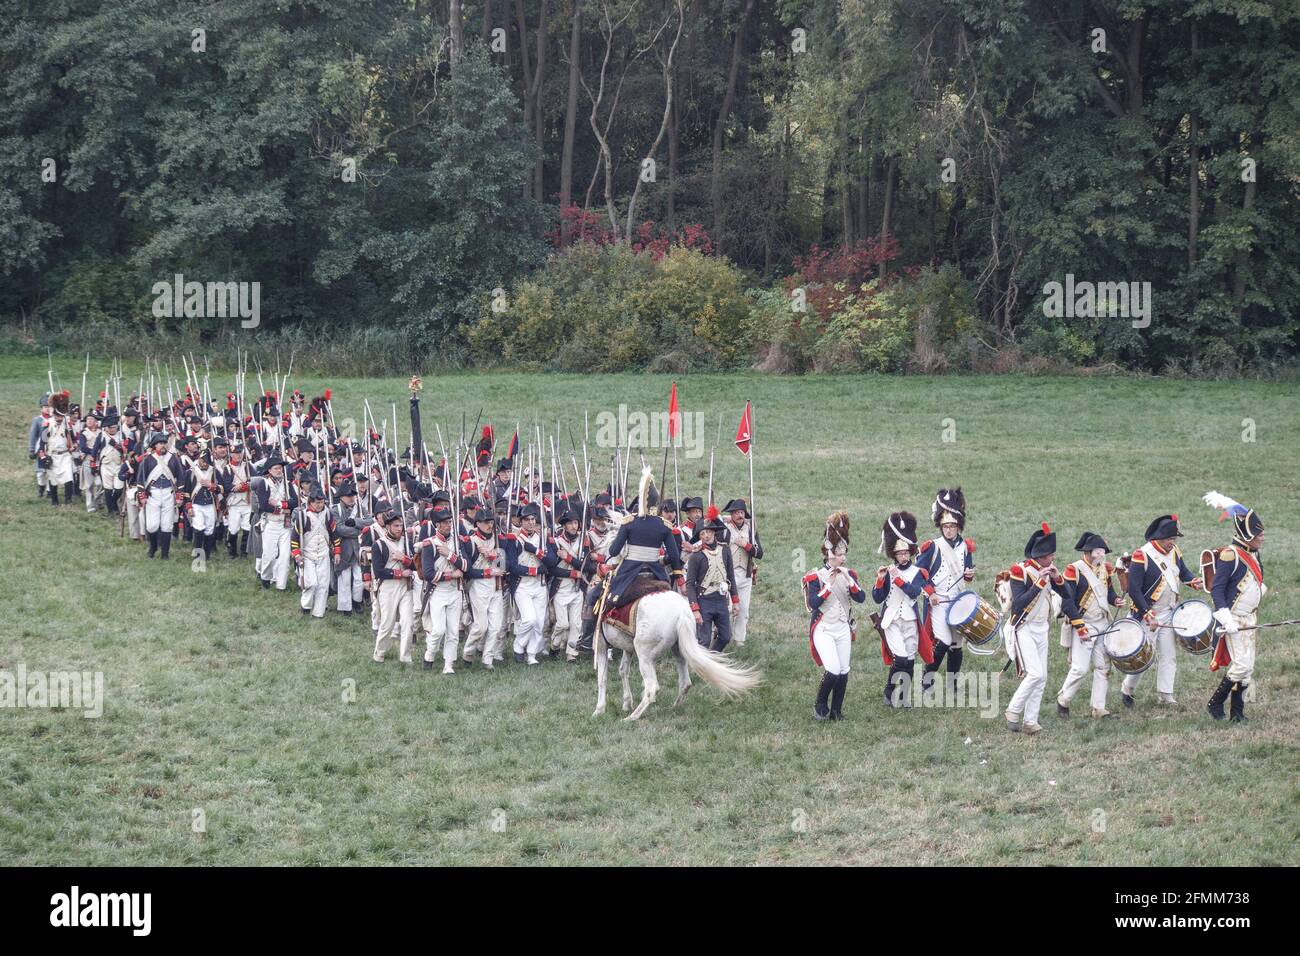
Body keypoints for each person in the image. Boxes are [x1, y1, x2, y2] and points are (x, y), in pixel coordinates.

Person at [1004, 523, 1080, 735]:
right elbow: (1018, 603)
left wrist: (1056, 578)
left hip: (1041, 628)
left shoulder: (1049, 570)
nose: (1053, 558)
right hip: (1024, 627)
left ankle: (1031, 721)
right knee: (1035, 674)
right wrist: (1039, 583)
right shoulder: (1020, 570)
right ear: (1040, 556)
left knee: (1042, 677)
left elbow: (1067, 595)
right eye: (1049, 556)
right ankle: (1013, 710)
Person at [1122, 514, 1203, 709]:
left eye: (1174, 539)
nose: (1172, 543)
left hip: (1169, 611)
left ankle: (1166, 694)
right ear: (1158, 538)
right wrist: (1147, 613)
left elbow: (1183, 572)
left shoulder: (1174, 551)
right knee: (1143, 657)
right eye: (1169, 539)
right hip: (1147, 614)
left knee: (1169, 654)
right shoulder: (1142, 555)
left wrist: (1193, 581)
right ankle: (1128, 689)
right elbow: (1134, 589)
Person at [1202, 493, 1266, 723]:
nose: (1262, 537)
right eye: (1258, 534)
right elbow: (1217, 590)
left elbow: (1257, 579)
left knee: (1247, 666)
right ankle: (1215, 703)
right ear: (1247, 535)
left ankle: (1237, 714)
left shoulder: (1253, 553)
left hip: (1249, 618)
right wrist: (1226, 619)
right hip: (1233, 619)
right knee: (1240, 665)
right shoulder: (1231, 555)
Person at [1055, 532, 1125, 719]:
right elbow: (1067, 602)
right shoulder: (1074, 570)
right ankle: (1063, 699)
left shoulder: (1105, 569)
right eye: (1098, 552)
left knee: (1103, 667)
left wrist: (1115, 599)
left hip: (1102, 622)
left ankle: (1099, 708)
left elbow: (1107, 592)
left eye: (1102, 552)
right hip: (1083, 623)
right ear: (1088, 552)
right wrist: (1079, 626)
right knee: (1080, 668)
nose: (1101, 556)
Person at [804, 512, 866, 720]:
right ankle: (820, 703)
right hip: (824, 628)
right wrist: (828, 586)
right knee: (832, 669)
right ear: (830, 554)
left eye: (844, 553)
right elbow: (813, 604)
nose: (843, 557)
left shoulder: (850, 574)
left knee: (844, 670)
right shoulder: (816, 577)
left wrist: (849, 581)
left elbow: (861, 598)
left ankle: (837, 711)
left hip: (842, 628)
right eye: (840, 554)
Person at [872, 511, 935, 708]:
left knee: (909, 660)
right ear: (894, 554)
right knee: (899, 658)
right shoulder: (888, 571)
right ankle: (890, 691)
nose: (904, 556)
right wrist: (881, 580)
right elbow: (877, 598)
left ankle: (903, 697)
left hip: (909, 620)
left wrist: (897, 578)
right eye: (900, 553)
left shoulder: (918, 572)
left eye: (906, 553)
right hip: (891, 620)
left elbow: (913, 592)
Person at [915, 488, 975, 692]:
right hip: (938, 601)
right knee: (943, 641)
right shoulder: (932, 546)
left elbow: (968, 569)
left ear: (958, 526)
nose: (948, 530)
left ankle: (952, 683)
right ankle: (927, 678)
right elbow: (918, 574)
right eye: (945, 526)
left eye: (952, 526)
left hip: (958, 601)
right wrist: (930, 592)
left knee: (956, 644)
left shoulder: (965, 546)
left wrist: (969, 574)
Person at [418, 506, 466, 673]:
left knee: (453, 631)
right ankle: (429, 654)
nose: (448, 525)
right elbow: (428, 574)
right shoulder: (429, 544)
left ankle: (448, 665)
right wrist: (452, 574)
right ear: (437, 525)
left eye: (449, 522)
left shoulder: (458, 542)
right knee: (438, 630)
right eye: (444, 522)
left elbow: (465, 566)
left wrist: (450, 554)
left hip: (455, 591)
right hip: (438, 591)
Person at [686, 509, 738, 651]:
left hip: (721, 598)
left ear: (714, 532)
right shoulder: (696, 556)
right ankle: (701, 667)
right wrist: (695, 609)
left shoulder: (725, 549)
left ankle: (712, 660)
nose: (706, 535)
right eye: (702, 533)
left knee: (725, 637)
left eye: (708, 531)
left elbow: (730, 576)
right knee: (704, 640)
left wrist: (735, 602)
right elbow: (690, 584)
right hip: (704, 600)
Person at [462, 506, 508, 667]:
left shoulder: (498, 539)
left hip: (496, 586)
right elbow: (467, 571)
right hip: (478, 585)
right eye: (485, 522)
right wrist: (489, 572)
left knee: (496, 626)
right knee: (481, 626)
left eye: (491, 522)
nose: (489, 525)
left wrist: (493, 555)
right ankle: (468, 653)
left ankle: (487, 659)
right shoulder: (470, 542)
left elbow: (503, 568)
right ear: (477, 524)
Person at [506, 503, 550, 665]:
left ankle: (531, 654)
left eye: (533, 519)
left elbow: (551, 561)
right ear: (521, 521)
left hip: (539, 585)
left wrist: (537, 551)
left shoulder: (541, 539)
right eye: (527, 520)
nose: (531, 522)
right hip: (522, 585)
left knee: (539, 622)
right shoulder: (514, 539)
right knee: (529, 619)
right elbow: (512, 566)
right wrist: (536, 571)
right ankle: (519, 645)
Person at [371, 509, 417, 663]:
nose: (399, 528)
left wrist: (404, 560)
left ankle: (405, 656)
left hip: (406, 586)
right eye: (396, 525)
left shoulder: (407, 542)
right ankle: (379, 653)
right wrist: (399, 574)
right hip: (388, 587)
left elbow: (415, 566)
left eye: (401, 525)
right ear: (388, 527)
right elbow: (378, 572)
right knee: (387, 623)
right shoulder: (379, 545)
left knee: (408, 623)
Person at [135, 430, 186, 559]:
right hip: (153, 494)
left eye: (164, 443)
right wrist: (142, 495)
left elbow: (180, 477)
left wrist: (179, 494)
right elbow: (141, 479)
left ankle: (165, 554)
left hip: (169, 494)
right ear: (155, 445)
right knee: (152, 526)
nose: (163, 445)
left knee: (167, 525)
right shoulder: (148, 459)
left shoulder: (173, 458)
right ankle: (153, 547)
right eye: (160, 443)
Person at [291, 485, 340, 618]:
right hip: (307, 554)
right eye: (317, 502)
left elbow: (334, 533)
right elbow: (295, 537)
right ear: (310, 502)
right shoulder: (302, 516)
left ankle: (318, 613)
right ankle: (305, 606)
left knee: (323, 585)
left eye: (321, 502)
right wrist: (296, 555)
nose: (319, 505)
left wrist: (337, 552)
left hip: (323, 553)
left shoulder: (328, 514)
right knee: (311, 583)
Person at [250, 453, 296, 590]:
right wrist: (284, 507)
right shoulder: (264, 483)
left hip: (285, 525)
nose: (279, 471)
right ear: (269, 471)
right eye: (276, 468)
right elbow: (264, 505)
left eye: (280, 468)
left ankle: (281, 585)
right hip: (271, 523)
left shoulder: (288, 484)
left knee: (284, 557)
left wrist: (279, 504)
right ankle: (265, 577)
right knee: (269, 555)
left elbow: (295, 502)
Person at [547, 509, 586, 661]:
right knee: (562, 624)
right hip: (561, 588)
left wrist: (568, 558)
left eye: (575, 523)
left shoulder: (583, 541)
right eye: (570, 523)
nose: (573, 526)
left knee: (576, 624)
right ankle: (555, 645)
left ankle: (572, 652)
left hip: (577, 589)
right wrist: (572, 573)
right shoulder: (556, 542)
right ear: (564, 525)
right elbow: (552, 569)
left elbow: (586, 566)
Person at [723, 498, 762, 645]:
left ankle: (739, 639)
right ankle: (720, 633)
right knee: (726, 608)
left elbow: (759, 553)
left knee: (743, 610)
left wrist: (747, 545)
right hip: (727, 575)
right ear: (731, 515)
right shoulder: (724, 529)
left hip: (745, 574)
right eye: (736, 513)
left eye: (741, 512)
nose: (740, 515)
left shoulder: (750, 530)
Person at [332, 481, 368, 615]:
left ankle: (357, 601)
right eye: (348, 496)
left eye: (353, 495)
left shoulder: (359, 507)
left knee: (359, 579)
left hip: (358, 549)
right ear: (341, 497)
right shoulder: (335, 510)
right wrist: (359, 531)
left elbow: (370, 520)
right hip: (343, 549)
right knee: (344, 580)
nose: (351, 498)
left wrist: (356, 522)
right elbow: (340, 529)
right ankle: (345, 607)